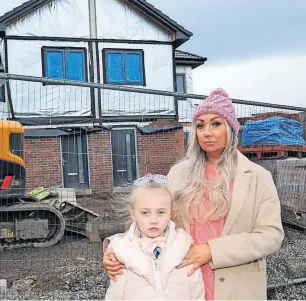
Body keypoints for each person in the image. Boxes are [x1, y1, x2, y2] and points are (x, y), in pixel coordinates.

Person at [103, 88, 284, 300]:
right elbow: (153, 218)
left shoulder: (257, 177)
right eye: (200, 125)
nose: (206, 132)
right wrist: (115, 250)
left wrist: (212, 250)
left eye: (216, 124)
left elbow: (271, 236)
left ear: (231, 128)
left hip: (237, 286)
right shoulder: (178, 174)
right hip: (183, 284)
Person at [104, 174, 205, 300]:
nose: (153, 220)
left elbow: (197, 292)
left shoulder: (183, 246)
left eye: (161, 212)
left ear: (171, 213)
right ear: (133, 214)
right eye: (145, 213)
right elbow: (115, 295)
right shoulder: (122, 251)